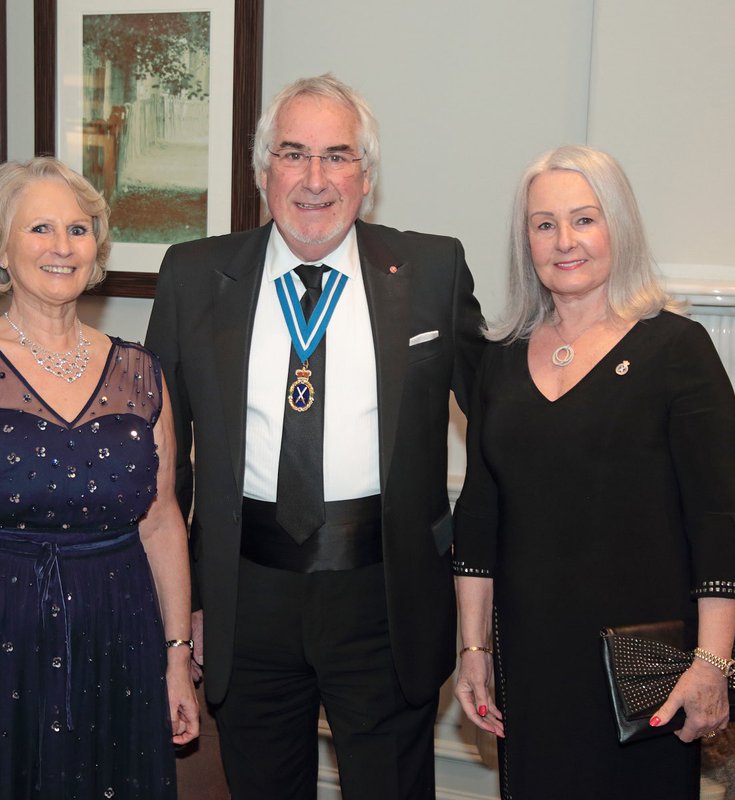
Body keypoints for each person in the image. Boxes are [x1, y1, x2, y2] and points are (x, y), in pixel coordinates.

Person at [144, 74, 485, 799]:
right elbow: (165, 472)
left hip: (386, 598)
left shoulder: (430, 271)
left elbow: (502, 422)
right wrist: (185, 610)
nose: (314, 179)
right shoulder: (194, 275)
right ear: (263, 168)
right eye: (294, 154)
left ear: (367, 176)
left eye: (338, 156)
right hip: (245, 599)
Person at [0, 156, 199, 799]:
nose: (62, 247)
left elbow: (163, 522)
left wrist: (175, 658)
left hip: (115, 648)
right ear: (1, 247)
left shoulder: (142, 372)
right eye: (40, 229)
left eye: (78, 230)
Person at [452, 144, 735, 798]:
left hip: (643, 671)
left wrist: (711, 663)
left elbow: (717, 522)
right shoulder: (500, 361)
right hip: (531, 663)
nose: (565, 241)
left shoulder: (677, 350)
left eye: (584, 219)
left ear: (618, 226)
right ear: (525, 241)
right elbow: (479, 515)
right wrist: (474, 650)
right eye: (544, 224)